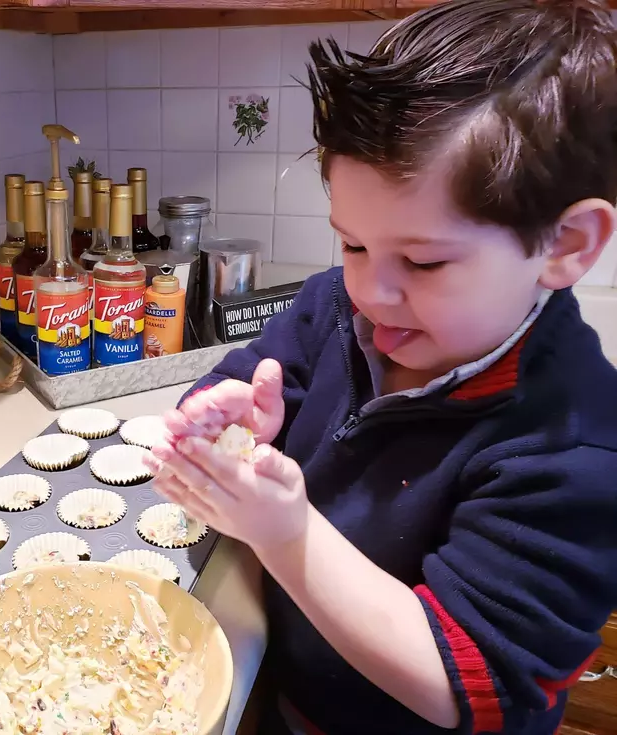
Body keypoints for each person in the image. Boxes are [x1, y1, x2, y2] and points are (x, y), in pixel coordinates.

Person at [144, 1, 617, 732]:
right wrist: (233, 418)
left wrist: (287, 532)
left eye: (423, 261)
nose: (370, 288)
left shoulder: (575, 450)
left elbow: (467, 682)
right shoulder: (337, 305)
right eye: (353, 244)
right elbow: (254, 375)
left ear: (565, 244)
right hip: (283, 692)